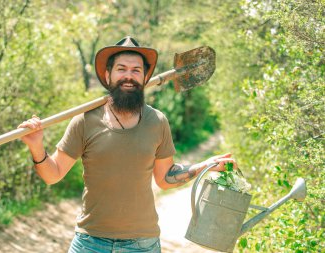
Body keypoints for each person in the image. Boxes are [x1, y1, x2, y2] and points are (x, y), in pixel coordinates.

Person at [18, 36, 238, 253]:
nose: (128, 76)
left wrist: (205, 166)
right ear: (108, 75)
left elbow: (164, 178)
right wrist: (36, 145)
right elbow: (52, 174)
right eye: (121, 69)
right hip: (90, 242)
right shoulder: (85, 121)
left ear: (144, 78)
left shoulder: (157, 121)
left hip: (142, 244)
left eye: (136, 71)